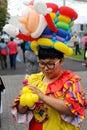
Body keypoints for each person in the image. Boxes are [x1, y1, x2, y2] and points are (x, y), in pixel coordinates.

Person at [11, 47, 87, 130]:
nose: (46, 68)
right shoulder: (33, 80)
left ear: (61, 61)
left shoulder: (71, 81)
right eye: (42, 63)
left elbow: (74, 110)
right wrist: (23, 102)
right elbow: (22, 111)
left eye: (50, 64)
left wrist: (43, 97)